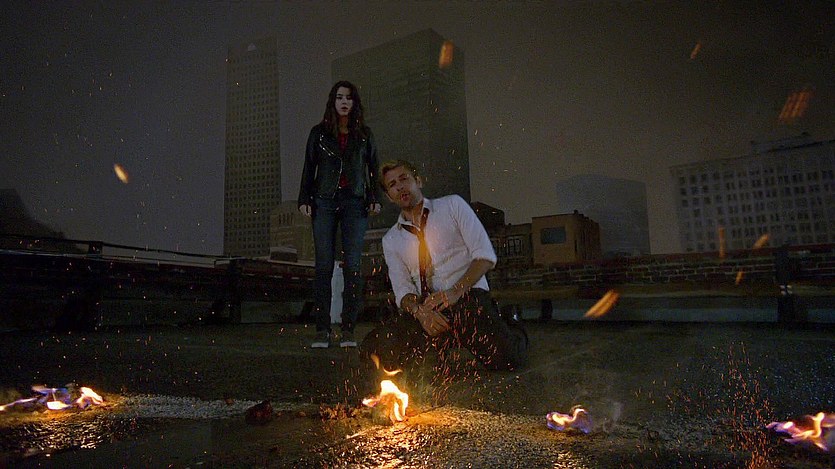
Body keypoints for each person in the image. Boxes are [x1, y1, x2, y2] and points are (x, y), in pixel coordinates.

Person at [362, 160, 528, 371]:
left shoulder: (452, 206)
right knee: (374, 349)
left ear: (418, 181)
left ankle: (510, 321)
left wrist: (455, 292)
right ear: (388, 196)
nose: (400, 187)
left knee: (508, 360)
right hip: (429, 309)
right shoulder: (391, 239)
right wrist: (420, 312)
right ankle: (439, 348)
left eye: (404, 179)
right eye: (392, 184)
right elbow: (402, 289)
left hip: (467, 298)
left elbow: (485, 256)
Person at [298, 81, 380, 349]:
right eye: (339, 97)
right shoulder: (319, 133)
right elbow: (309, 166)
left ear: (355, 103)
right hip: (323, 200)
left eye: (349, 98)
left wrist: (374, 198)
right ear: (332, 101)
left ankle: (348, 330)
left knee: (353, 266)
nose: (344, 102)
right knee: (323, 265)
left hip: (355, 202)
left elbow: (373, 168)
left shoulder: (364, 134)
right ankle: (322, 330)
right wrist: (304, 198)